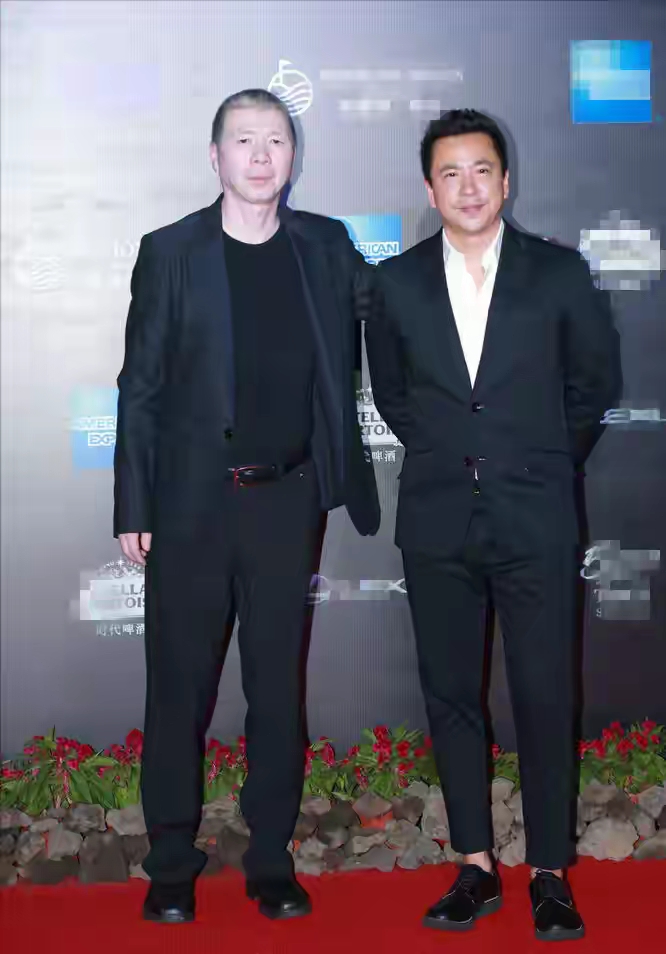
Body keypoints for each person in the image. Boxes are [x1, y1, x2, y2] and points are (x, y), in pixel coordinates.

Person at [114, 88, 379, 924]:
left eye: (276, 140)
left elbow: (399, 310)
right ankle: (169, 867)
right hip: (189, 507)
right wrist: (133, 503)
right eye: (244, 140)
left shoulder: (326, 246)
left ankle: (271, 861)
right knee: (177, 692)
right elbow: (140, 388)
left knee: (276, 692)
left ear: (293, 156)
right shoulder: (171, 251)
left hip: (286, 504)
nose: (261, 156)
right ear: (215, 156)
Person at [365, 109, 621, 942]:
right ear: (430, 187)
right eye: (450, 173)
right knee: (451, 695)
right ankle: (474, 865)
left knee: (545, 693)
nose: (467, 186)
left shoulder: (559, 273)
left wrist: (536, 461)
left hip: (535, 516)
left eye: (481, 170)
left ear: (505, 181)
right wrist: (456, 457)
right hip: (437, 519)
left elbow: (593, 385)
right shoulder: (396, 284)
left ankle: (550, 871)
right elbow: (395, 396)